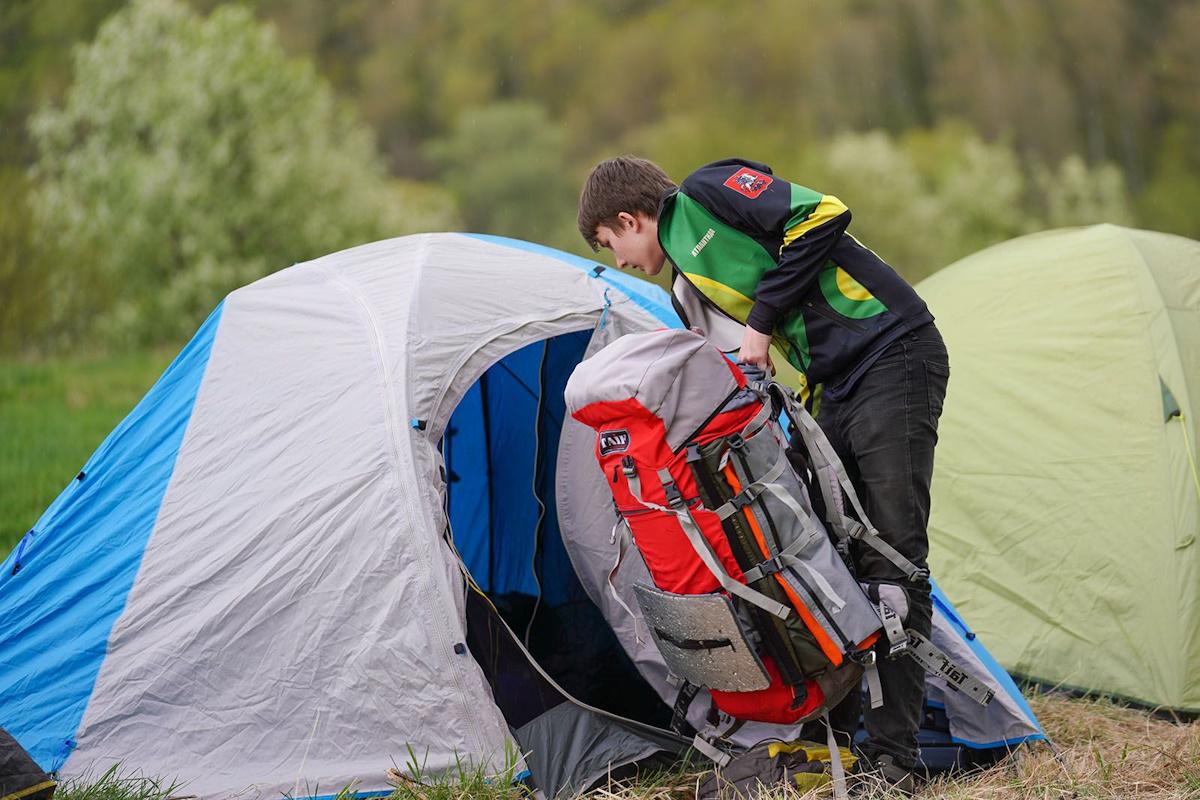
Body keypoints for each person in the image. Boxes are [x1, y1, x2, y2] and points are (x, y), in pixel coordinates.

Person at [577, 156, 950, 796]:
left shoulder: (705, 192)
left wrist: (760, 321)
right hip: (832, 386)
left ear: (629, 218)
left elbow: (823, 214)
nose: (621, 261)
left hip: (893, 349)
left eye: (613, 245)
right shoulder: (686, 290)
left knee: (892, 556)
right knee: (829, 552)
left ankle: (897, 765)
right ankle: (845, 742)